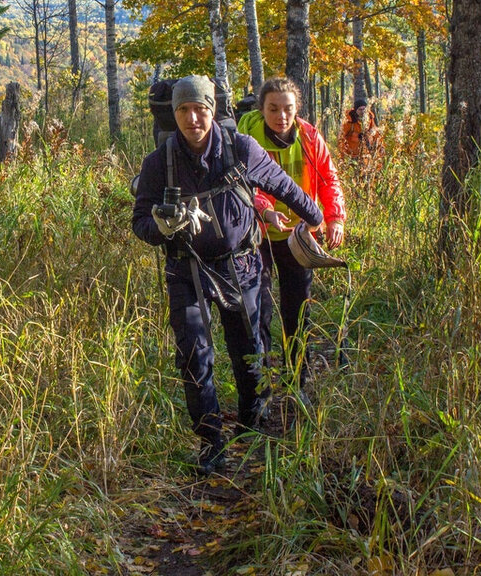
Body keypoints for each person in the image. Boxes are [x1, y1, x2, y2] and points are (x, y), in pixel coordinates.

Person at [132, 75, 324, 475]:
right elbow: (141, 224)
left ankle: (253, 422)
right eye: (183, 110)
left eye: (199, 108)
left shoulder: (239, 148)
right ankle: (212, 442)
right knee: (194, 355)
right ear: (174, 114)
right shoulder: (159, 163)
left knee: (248, 347)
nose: (192, 118)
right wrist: (162, 227)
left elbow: (281, 185)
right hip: (187, 270)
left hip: (242, 265)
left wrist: (317, 218)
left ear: (212, 110)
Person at [237, 77, 346, 394]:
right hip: (257, 235)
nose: (281, 116)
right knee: (259, 309)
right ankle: (258, 384)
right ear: (262, 109)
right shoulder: (246, 137)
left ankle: (296, 376)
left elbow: (328, 178)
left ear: (297, 109)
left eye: (288, 109)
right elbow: (242, 185)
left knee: (297, 309)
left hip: (299, 235)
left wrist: (334, 218)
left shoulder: (310, 137)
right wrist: (264, 208)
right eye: (273, 109)